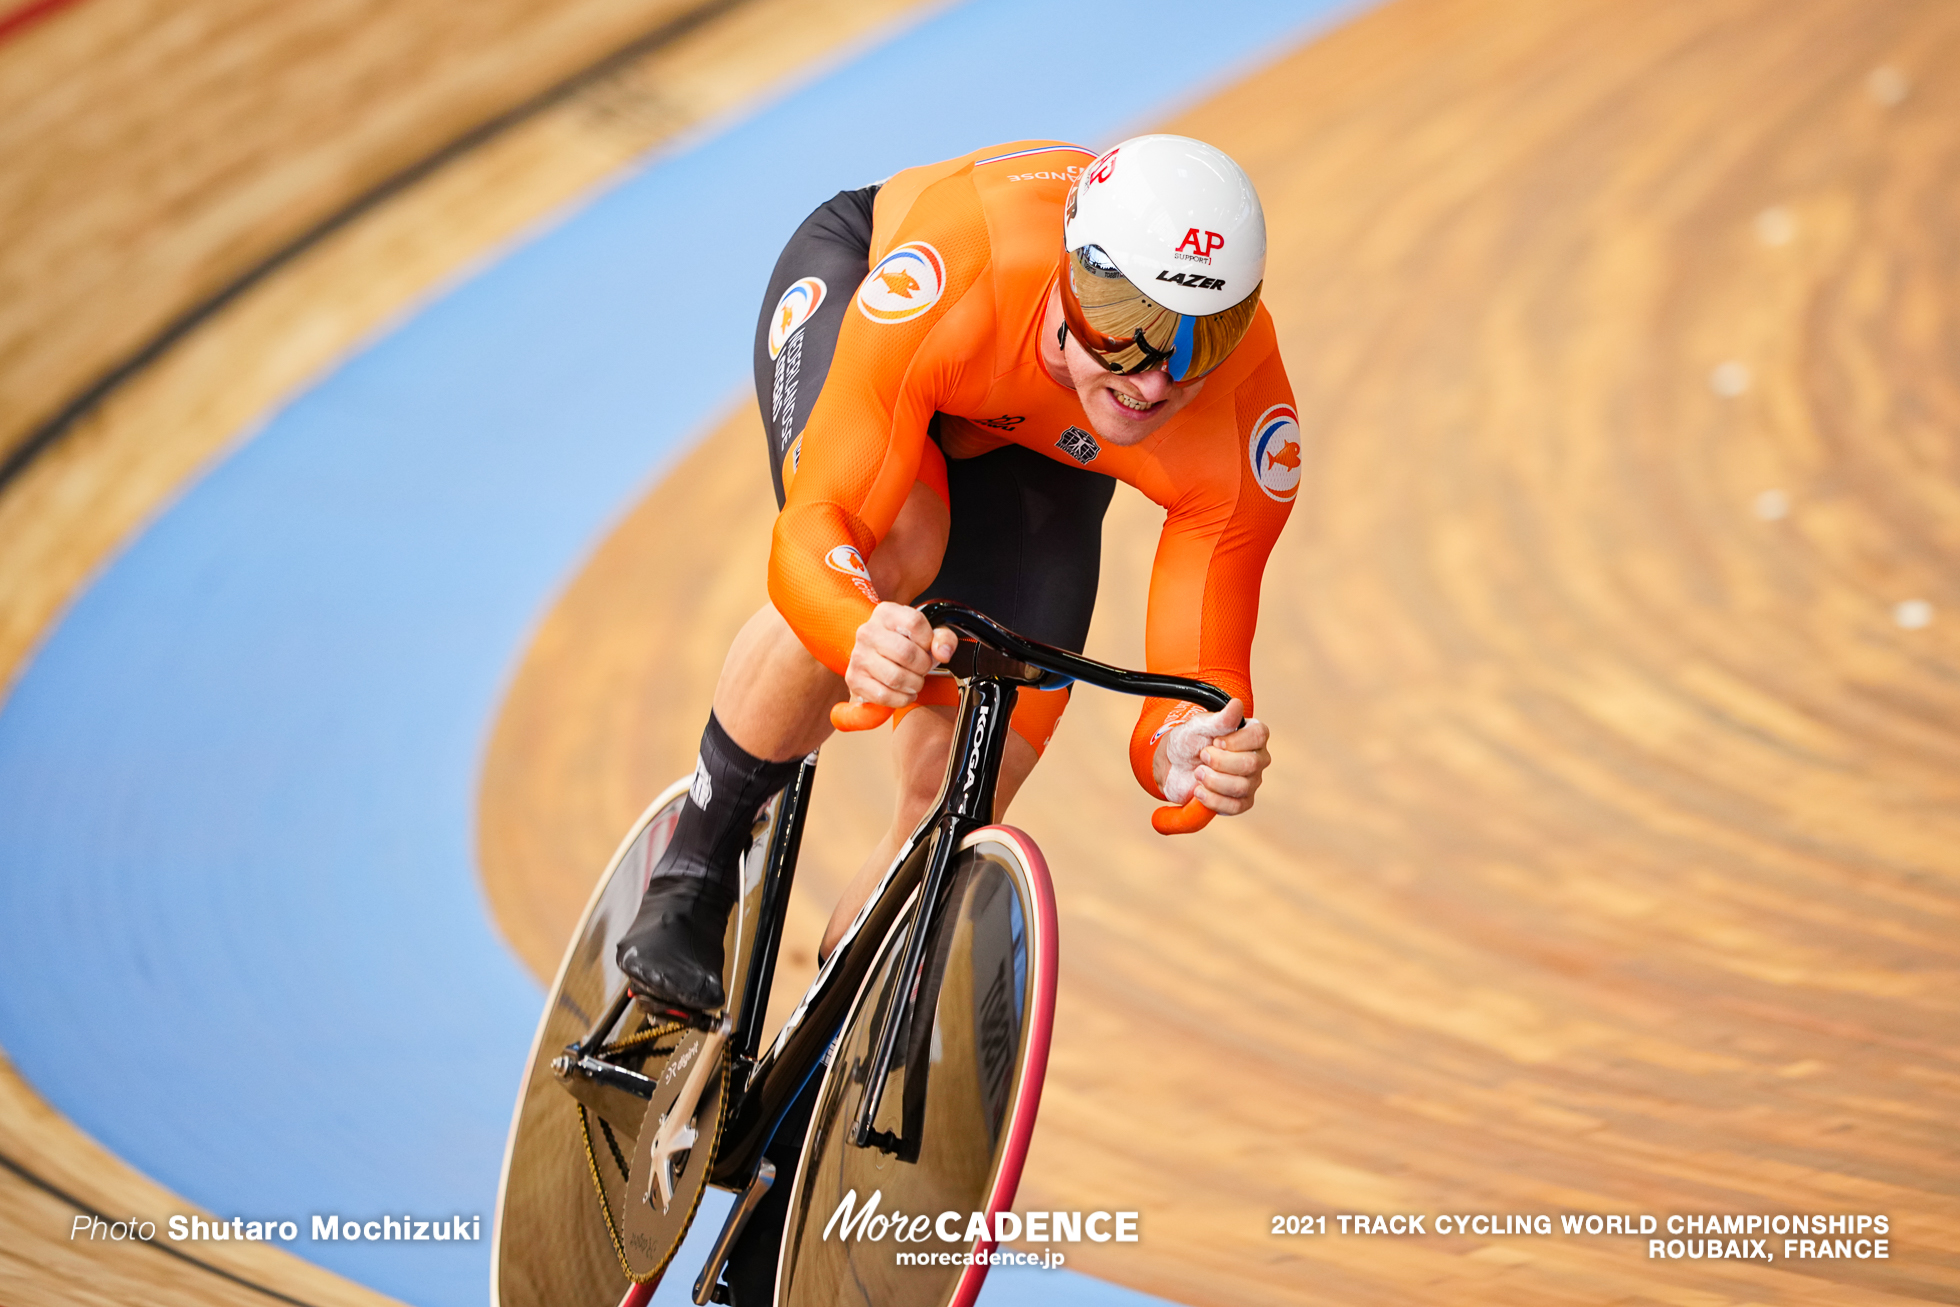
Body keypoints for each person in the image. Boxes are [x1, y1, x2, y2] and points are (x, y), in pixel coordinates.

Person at [616, 134, 1300, 1013]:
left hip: (1036, 439)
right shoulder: (967, 268)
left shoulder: (1245, 413)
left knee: (962, 794)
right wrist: (854, 625)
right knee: (895, 543)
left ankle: (817, 1072)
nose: (1157, 377)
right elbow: (820, 524)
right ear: (1069, 272)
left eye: (1203, 342)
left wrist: (1187, 748)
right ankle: (693, 872)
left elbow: (1199, 672)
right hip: (877, 307)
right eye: (1127, 322)